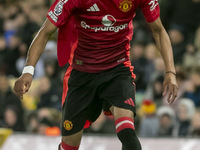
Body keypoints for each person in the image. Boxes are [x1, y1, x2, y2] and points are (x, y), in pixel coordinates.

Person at [14, 0, 178, 150]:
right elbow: (44, 32)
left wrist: (170, 71)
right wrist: (28, 70)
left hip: (118, 70)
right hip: (82, 75)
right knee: (69, 146)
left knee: (127, 131)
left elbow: (159, 30)